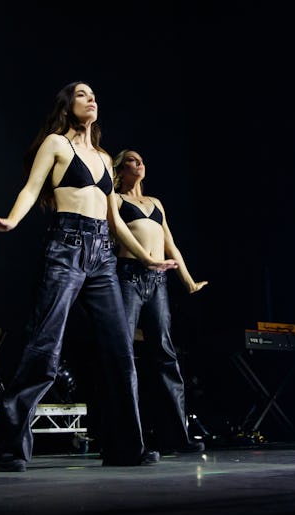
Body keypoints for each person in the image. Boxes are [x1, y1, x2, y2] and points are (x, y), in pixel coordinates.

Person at [0, 82, 177, 472]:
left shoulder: (102, 156)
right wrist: (11, 221)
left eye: (95, 94)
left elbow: (115, 221)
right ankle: (8, 450)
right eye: (83, 94)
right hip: (65, 249)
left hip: (102, 256)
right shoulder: (55, 144)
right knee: (43, 349)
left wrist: (148, 259)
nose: (92, 98)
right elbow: (32, 189)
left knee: (120, 353)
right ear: (68, 105)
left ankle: (125, 448)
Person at [111, 149, 208, 454]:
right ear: (120, 169)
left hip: (158, 282)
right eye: (131, 160)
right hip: (129, 276)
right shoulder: (115, 200)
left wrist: (189, 281)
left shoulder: (156, 203)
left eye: (141, 160)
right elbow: (118, 233)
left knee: (165, 354)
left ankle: (179, 436)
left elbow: (171, 244)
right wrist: (146, 260)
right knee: (123, 355)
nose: (139, 163)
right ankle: (128, 439)